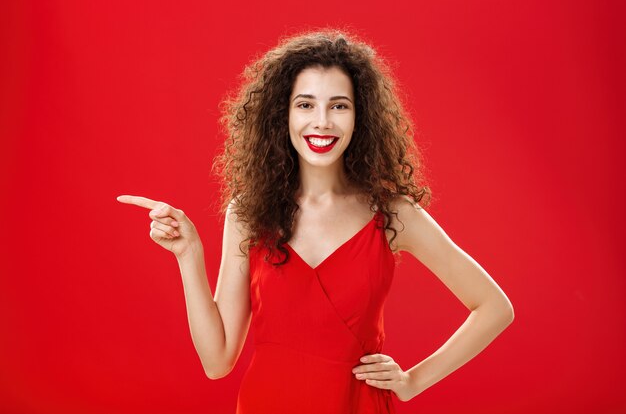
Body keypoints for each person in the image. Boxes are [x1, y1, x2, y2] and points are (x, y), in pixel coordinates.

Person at [117, 28, 514, 413]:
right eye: (305, 105)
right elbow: (217, 361)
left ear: (361, 117)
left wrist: (412, 382)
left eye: (339, 106)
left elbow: (494, 307)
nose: (321, 121)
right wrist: (188, 254)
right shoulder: (248, 211)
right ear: (282, 115)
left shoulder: (393, 215)